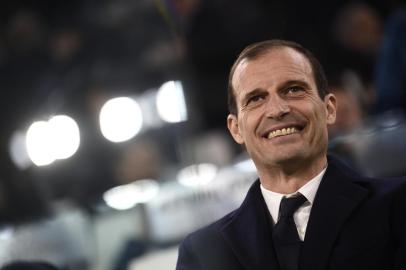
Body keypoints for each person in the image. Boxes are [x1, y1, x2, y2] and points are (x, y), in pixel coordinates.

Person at [176, 39, 406, 270]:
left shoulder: (396, 206)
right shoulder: (204, 253)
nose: (277, 110)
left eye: (293, 89)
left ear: (329, 109)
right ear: (236, 128)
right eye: (256, 99)